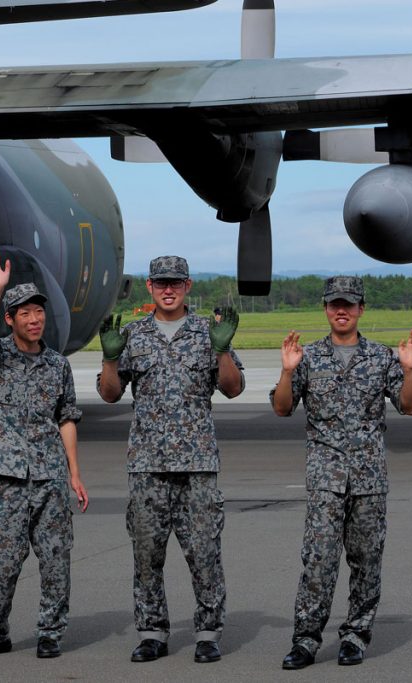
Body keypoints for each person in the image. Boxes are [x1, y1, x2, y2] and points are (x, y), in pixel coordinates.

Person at [97, 255, 244, 665]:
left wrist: (222, 350)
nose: (168, 289)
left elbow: (232, 388)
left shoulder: (208, 331)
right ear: (149, 286)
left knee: (204, 553)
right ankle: (151, 633)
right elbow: (109, 394)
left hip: (197, 464)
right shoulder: (133, 335)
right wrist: (110, 358)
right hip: (147, 464)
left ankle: (208, 633)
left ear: (188, 286)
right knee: (146, 554)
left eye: (176, 283)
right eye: (161, 282)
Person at [271, 276, 412, 670]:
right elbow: (282, 408)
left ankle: (355, 635)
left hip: (369, 479)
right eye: (335, 303)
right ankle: (305, 639)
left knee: (366, 560)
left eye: (350, 304)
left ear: (361, 309)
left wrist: (408, 370)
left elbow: (408, 406)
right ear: (325, 308)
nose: (342, 310)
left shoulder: (381, 356)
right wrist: (287, 372)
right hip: (326, 479)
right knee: (318, 560)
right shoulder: (309, 357)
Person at [0, 249, 89, 660]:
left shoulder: (58, 366)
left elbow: (67, 419)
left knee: (56, 561)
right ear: (11, 319)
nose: (34, 319)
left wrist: (74, 473)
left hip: (51, 480)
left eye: (38, 312)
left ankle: (51, 632)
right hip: (9, 482)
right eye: (24, 313)